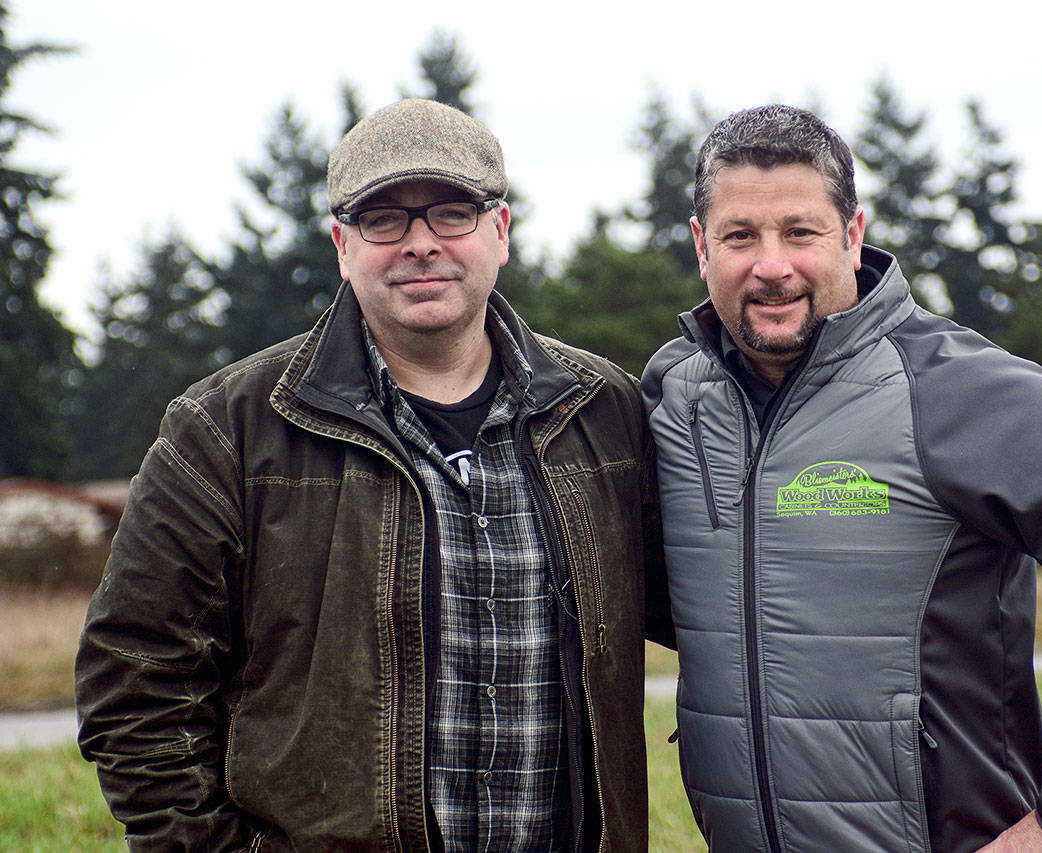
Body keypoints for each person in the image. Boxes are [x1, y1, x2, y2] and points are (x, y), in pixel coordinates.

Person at [77, 98, 669, 852]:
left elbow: (722, 612)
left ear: (502, 231)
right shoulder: (226, 429)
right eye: (384, 219)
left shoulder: (604, 412)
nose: (421, 244)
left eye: (452, 212)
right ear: (341, 245)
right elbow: (133, 682)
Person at [641, 104, 1042, 853]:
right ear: (701, 246)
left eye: (800, 231)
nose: (772, 265)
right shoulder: (675, 399)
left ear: (852, 235)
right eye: (739, 236)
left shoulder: (965, 392)